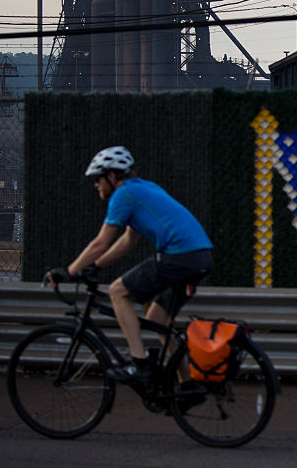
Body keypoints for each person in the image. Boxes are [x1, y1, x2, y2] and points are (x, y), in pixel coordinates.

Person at [48, 146, 213, 384]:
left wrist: (70, 271)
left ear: (112, 176)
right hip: (200, 257)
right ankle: (188, 384)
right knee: (157, 319)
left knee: (117, 291)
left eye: (98, 179)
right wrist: (96, 266)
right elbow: (128, 240)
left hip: (179, 256)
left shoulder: (123, 194)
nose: (97, 185)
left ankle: (139, 364)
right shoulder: (144, 189)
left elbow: (101, 242)